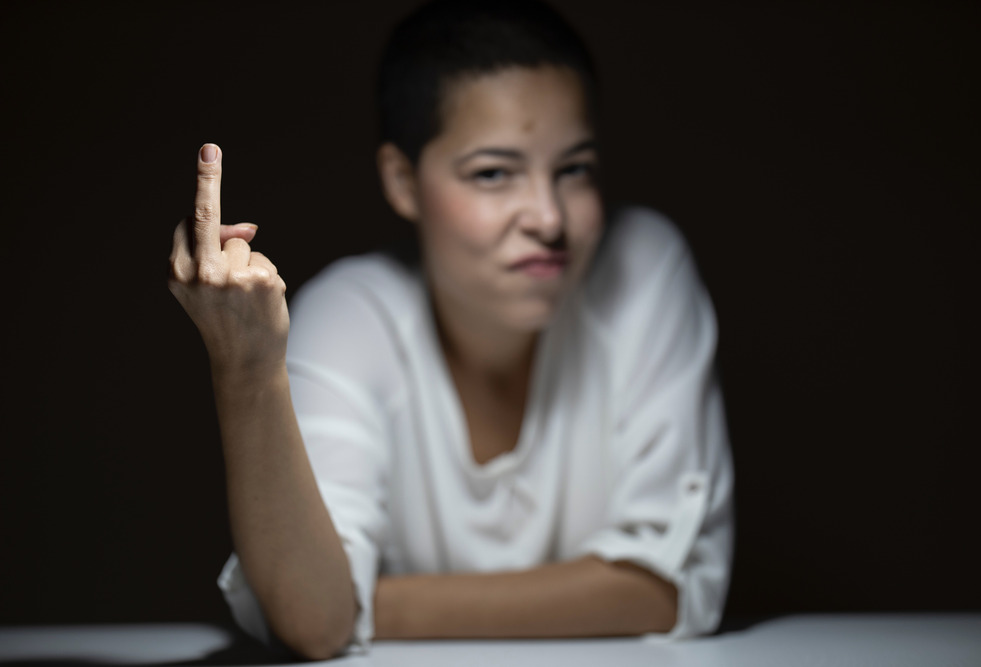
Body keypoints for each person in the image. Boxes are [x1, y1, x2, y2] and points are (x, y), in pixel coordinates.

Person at [168, 0, 733, 659]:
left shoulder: (641, 264)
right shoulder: (351, 316)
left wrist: (365, 602)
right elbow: (313, 620)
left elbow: (660, 590)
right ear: (402, 181)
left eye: (574, 168)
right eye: (494, 173)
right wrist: (246, 368)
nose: (548, 216)